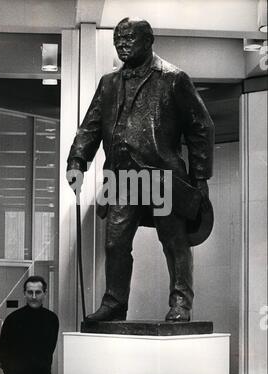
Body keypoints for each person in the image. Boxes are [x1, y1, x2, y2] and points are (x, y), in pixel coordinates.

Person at [67, 17, 214, 322]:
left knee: (174, 241)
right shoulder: (109, 83)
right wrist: (77, 161)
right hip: (123, 178)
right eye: (118, 39)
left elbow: (201, 127)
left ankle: (180, 302)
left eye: (128, 39)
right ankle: (115, 302)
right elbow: (90, 127)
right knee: (115, 242)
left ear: (148, 41)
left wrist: (200, 177)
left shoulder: (173, 78)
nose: (122, 44)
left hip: (162, 177)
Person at [0, 276, 59, 374]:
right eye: (30, 292)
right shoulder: (12, 319)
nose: (34, 296)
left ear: (45, 293)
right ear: (24, 293)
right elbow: (3, 352)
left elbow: (48, 350)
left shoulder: (52, 319)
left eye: (38, 292)